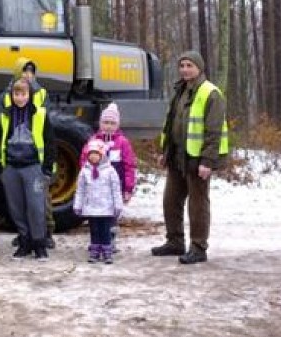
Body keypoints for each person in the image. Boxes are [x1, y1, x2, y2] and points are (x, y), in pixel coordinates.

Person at [153, 51, 228, 264]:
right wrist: (165, 152)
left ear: (199, 68)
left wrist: (207, 161)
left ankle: (198, 247)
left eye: (189, 65)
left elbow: (214, 132)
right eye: (182, 65)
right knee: (171, 201)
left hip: (197, 159)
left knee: (197, 204)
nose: (185, 69)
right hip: (177, 156)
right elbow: (171, 124)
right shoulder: (180, 90)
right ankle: (175, 242)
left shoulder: (211, 93)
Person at [0, 77, 56, 260]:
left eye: (23, 94)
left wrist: (47, 168)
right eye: (16, 94)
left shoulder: (40, 114)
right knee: (16, 208)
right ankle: (25, 241)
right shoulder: (5, 115)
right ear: (11, 95)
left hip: (33, 167)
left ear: (29, 95)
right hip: (12, 167)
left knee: (36, 207)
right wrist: (0, 168)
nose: (19, 98)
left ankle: (39, 244)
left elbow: (49, 141)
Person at [79, 103, 137, 250]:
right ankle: (97, 240)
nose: (108, 126)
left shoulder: (122, 143)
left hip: (115, 187)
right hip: (96, 186)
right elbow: (84, 160)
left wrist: (128, 188)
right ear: (100, 123)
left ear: (117, 124)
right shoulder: (93, 141)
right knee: (96, 215)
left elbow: (129, 165)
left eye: (112, 123)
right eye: (105, 122)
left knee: (111, 215)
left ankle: (110, 239)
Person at [74, 139, 123, 264]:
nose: (93, 157)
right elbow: (80, 190)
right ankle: (94, 250)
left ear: (102, 155)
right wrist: (78, 205)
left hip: (106, 208)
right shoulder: (85, 171)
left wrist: (118, 205)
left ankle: (107, 251)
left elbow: (116, 189)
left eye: (96, 154)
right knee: (94, 230)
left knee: (105, 230)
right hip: (91, 207)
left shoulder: (110, 171)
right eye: (91, 154)